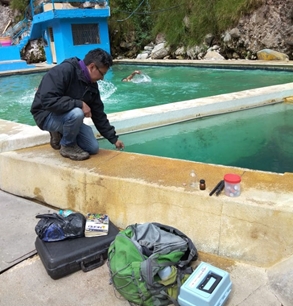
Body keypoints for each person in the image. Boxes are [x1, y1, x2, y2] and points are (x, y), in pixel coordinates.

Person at [30, 48, 124, 161]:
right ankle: (67, 146)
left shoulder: (92, 85)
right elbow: (48, 101)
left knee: (92, 148)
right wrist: (79, 103)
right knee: (77, 112)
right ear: (92, 67)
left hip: (66, 117)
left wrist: (113, 139)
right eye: (102, 74)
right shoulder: (63, 71)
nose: (102, 78)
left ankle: (60, 133)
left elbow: (98, 114)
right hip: (46, 115)